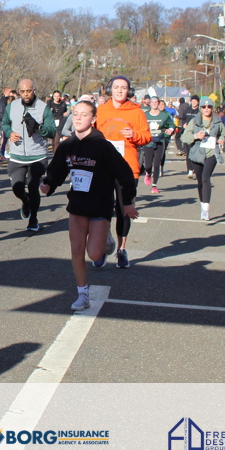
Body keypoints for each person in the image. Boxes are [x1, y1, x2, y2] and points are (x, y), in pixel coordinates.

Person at [41, 100, 138, 311]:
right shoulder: (67, 145)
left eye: (84, 115)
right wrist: (49, 184)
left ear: (93, 119)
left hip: (100, 205)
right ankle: (82, 294)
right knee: (77, 250)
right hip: (77, 205)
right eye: (75, 114)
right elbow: (57, 170)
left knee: (94, 254)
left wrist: (128, 202)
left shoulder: (103, 146)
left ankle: (106, 241)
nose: (78, 118)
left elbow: (125, 174)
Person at [94, 76, 150, 268]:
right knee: (101, 209)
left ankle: (121, 249)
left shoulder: (136, 111)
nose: (119, 90)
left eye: (123, 88)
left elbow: (147, 137)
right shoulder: (101, 110)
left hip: (128, 168)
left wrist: (134, 135)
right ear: (110, 90)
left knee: (124, 210)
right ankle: (102, 246)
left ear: (129, 91)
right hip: (103, 167)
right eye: (116, 87)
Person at [1, 78, 56, 232]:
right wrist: (10, 133)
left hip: (37, 155)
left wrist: (38, 127)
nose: (26, 94)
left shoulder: (43, 108)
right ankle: (25, 201)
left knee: (33, 187)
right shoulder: (12, 106)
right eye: (23, 91)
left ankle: (33, 219)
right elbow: (5, 123)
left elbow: (52, 131)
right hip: (17, 156)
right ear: (18, 91)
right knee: (17, 187)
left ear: (34, 90)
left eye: (29, 91)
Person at [181, 97, 225, 221]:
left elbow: (222, 134)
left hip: (212, 153)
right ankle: (202, 205)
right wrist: (195, 136)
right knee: (200, 181)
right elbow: (184, 137)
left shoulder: (217, 121)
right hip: (197, 153)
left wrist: (221, 140)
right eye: (204, 107)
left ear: (212, 108)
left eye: (209, 107)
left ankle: (206, 209)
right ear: (200, 108)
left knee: (206, 178)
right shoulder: (194, 121)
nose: (206, 109)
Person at [142, 96, 175, 194]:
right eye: (152, 102)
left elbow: (172, 125)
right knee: (148, 165)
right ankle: (148, 173)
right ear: (150, 103)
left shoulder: (164, 115)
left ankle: (154, 185)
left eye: (156, 102)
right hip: (148, 142)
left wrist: (170, 130)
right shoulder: (145, 115)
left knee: (156, 164)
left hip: (160, 141)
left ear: (158, 103)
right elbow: (140, 126)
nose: (154, 104)